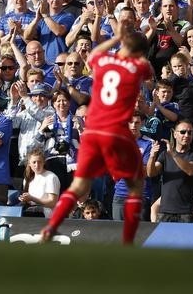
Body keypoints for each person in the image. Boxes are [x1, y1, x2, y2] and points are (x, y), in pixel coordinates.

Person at [41, 21, 152, 245]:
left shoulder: (101, 61)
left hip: (92, 131)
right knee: (136, 185)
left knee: (79, 186)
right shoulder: (138, 66)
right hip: (117, 132)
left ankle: (51, 228)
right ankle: (128, 240)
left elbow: (94, 53)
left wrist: (116, 38)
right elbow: (147, 69)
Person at [147, 119, 193, 222]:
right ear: (175, 134)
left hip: (186, 213)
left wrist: (173, 153)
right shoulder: (165, 155)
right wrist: (152, 156)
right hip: (165, 212)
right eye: (183, 132)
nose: (186, 135)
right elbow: (151, 173)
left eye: (190, 133)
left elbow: (190, 170)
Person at [19, 149, 59, 218]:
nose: (37, 165)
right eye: (34, 162)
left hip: (47, 217)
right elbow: (30, 201)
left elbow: (53, 202)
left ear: (44, 162)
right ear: (29, 164)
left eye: (39, 162)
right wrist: (25, 199)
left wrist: (32, 198)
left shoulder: (51, 177)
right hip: (31, 215)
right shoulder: (27, 179)